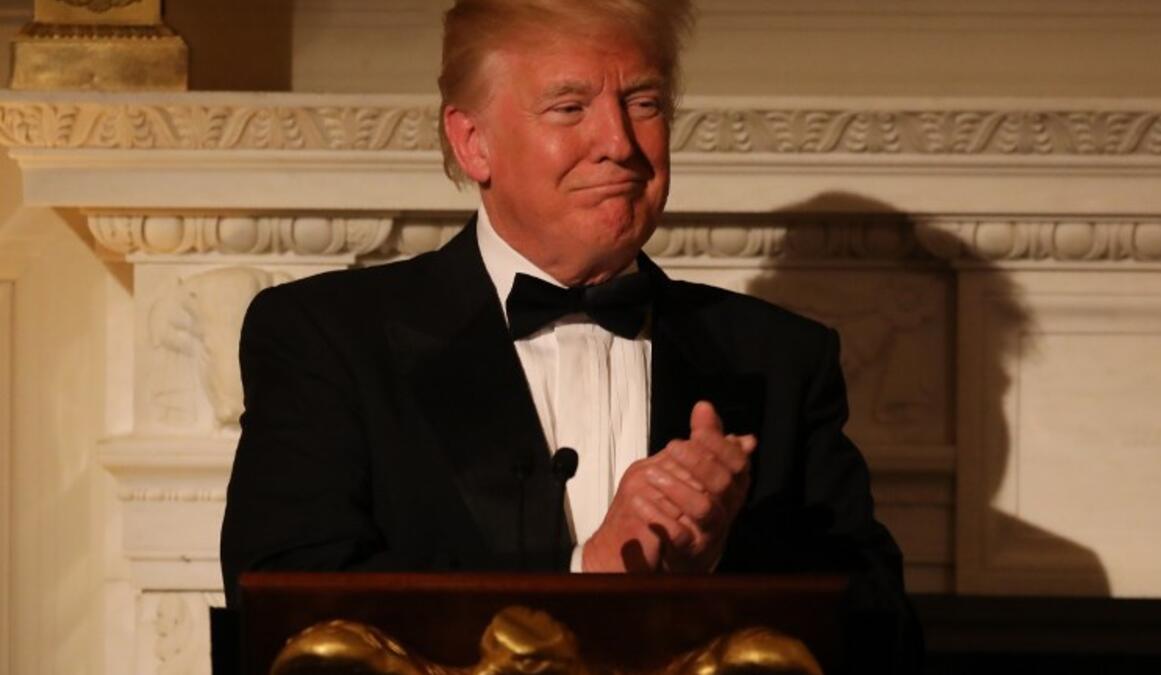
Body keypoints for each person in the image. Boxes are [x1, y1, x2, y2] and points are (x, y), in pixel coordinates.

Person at [221, 0, 919, 668]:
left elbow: (882, 631)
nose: (619, 144)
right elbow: (292, 623)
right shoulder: (325, 337)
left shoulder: (780, 360)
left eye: (643, 103)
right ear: (473, 142)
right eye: (570, 107)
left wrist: (712, 569)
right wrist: (595, 574)